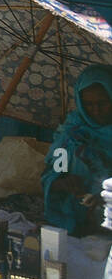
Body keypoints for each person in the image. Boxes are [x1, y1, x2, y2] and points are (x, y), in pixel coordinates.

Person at [42, 66, 112, 237]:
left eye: (102, 103)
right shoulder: (71, 133)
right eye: (88, 104)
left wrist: (105, 198)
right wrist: (63, 182)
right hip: (70, 221)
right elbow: (51, 174)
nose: (95, 110)